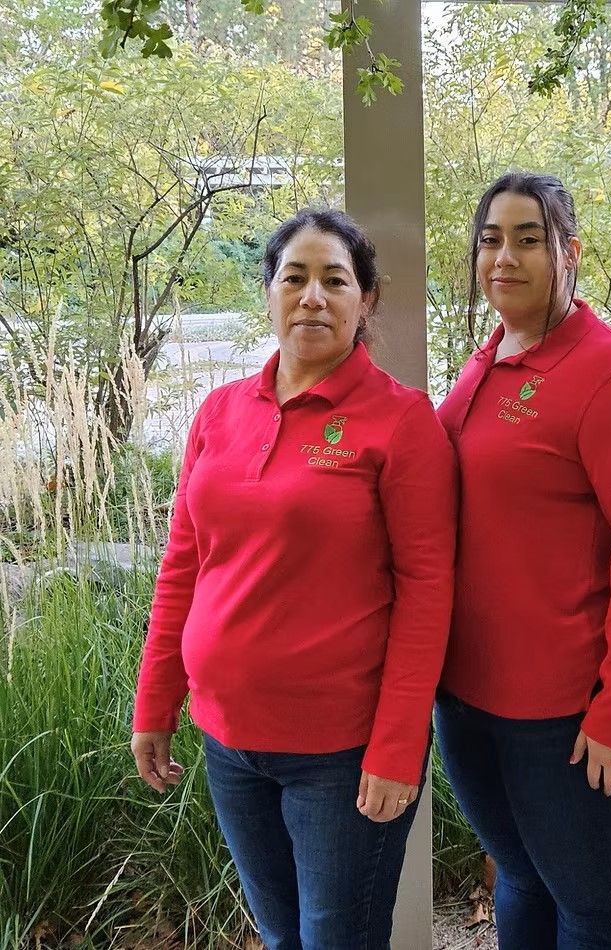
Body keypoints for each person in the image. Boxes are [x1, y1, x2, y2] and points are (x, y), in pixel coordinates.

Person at [130, 208, 456, 950]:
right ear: (270, 293)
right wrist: (157, 701)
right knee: (281, 937)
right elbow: (183, 564)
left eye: (334, 280)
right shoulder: (218, 413)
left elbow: (427, 592)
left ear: (364, 301)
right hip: (228, 739)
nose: (313, 296)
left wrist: (398, 747)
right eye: (295, 278)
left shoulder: (401, 423)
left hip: (339, 755)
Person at [434, 171, 611, 950]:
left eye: (528, 238)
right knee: (520, 878)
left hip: (570, 717)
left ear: (570, 252)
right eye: (490, 239)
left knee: (595, 908)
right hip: (471, 700)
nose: (503, 257)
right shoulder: (486, 363)